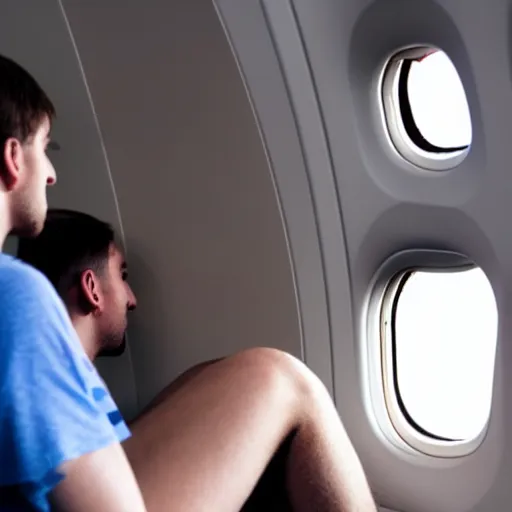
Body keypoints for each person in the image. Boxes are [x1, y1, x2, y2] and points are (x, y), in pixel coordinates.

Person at [17, 208, 378, 512]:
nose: (132, 299)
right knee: (281, 378)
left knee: (211, 376)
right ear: (92, 289)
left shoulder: (64, 381)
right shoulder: (45, 377)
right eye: (122, 277)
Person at [0, 55, 147, 511]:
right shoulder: (15, 294)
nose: (51, 173)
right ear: (12, 158)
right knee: (278, 379)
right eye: (44, 147)